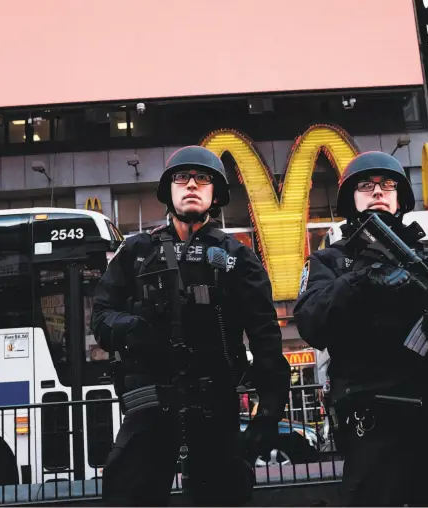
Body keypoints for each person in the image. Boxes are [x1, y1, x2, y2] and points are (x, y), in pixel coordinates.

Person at [91, 145, 291, 507]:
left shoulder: (237, 257)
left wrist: (268, 417)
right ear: (168, 190)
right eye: (181, 178)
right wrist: (135, 328)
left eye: (203, 179)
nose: (192, 185)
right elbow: (100, 316)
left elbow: (266, 339)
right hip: (149, 406)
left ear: (216, 193)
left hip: (214, 408)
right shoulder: (137, 252)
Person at [293, 151, 428, 507]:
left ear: (400, 199)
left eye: (387, 185)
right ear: (352, 198)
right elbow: (311, 323)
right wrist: (359, 279)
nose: (377, 191)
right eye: (366, 185)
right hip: (373, 427)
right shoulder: (331, 261)